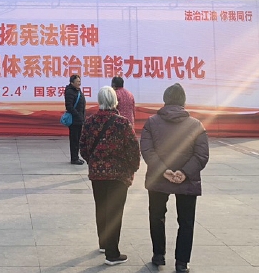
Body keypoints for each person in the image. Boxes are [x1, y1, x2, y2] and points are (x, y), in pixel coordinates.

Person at [141, 84, 209, 273]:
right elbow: (202, 155)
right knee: (186, 222)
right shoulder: (196, 125)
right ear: (183, 101)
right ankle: (182, 263)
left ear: (165, 100)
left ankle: (158, 255)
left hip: (158, 178)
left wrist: (163, 171)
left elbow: (147, 150)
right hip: (186, 180)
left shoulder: (151, 122)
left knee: (156, 216)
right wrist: (184, 173)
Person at [80, 86, 141, 266]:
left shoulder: (90, 122)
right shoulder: (122, 123)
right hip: (118, 176)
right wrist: (132, 168)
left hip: (97, 173)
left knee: (101, 208)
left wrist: (94, 162)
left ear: (99, 100)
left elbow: (83, 147)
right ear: (115, 101)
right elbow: (133, 149)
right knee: (115, 213)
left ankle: (103, 243)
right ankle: (112, 254)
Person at [64, 74, 86, 165]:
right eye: (77, 82)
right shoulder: (70, 91)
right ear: (72, 83)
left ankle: (76, 157)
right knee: (74, 140)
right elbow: (69, 106)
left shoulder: (78, 90)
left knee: (77, 140)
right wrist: (77, 115)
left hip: (79, 119)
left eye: (80, 81)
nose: (79, 83)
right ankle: (74, 158)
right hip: (74, 120)